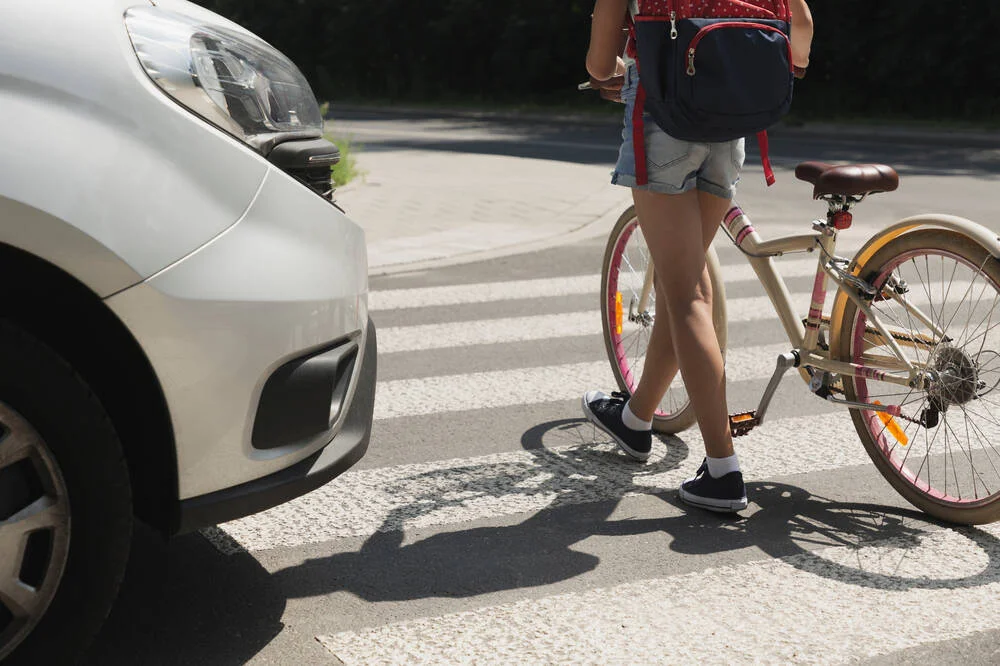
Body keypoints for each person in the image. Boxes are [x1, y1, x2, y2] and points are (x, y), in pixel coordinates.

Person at [582, 0, 814, 513]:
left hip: (663, 121)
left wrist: (619, 69)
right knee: (685, 284)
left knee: (686, 292)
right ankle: (637, 418)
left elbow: (600, 65)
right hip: (730, 127)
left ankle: (722, 470)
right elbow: (801, 31)